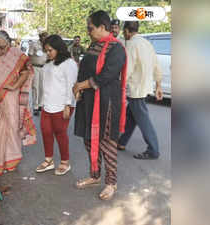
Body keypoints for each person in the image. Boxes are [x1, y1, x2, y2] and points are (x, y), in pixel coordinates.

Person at [73, 10, 127, 200]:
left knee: (107, 143)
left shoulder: (117, 48)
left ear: (102, 27)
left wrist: (82, 84)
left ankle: (111, 182)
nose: (88, 31)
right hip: (88, 102)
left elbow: (107, 75)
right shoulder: (94, 45)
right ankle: (94, 175)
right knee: (89, 140)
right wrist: (78, 89)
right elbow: (85, 68)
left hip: (106, 103)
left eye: (90, 28)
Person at [0, 30, 36, 175]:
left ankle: (10, 161)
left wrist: (15, 86)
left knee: (11, 128)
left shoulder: (17, 55)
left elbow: (25, 72)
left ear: (9, 44)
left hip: (10, 97)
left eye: (2, 47)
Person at [117, 21, 163, 160]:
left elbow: (128, 69)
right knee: (131, 116)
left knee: (144, 121)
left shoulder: (131, 44)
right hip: (145, 87)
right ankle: (122, 142)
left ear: (126, 31)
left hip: (135, 89)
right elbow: (156, 65)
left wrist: (119, 86)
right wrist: (158, 85)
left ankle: (153, 150)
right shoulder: (147, 43)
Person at [35, 35, 78, 175]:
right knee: (46, 131)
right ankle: (48, 160)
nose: (48, 53)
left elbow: (71, 85)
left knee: (60, 133)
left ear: (58, 48)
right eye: (46, 50)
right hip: (48, 104)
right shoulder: (48, 63)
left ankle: (65, 162)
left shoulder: (69, 63)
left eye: (50, 50)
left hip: (63, 105)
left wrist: (68, 105)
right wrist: (42, 103)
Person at [28, 32, 48, 116]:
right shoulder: (34, 44)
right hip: (35, 67)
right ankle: (35, 106)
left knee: (42, 87)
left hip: (44, 67)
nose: (45, 38)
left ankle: (40, 104)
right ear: (40, 37)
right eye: (44, 37)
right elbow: (29, 54)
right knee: (35, 87)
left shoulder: (47, 45)